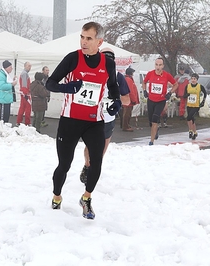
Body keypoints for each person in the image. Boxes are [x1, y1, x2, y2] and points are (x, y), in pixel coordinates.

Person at [45, 22, 121, 220]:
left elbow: (113, 87)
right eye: (82, 37)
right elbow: (50, 83)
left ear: (99, 41)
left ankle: (86, 198)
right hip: (70, 120)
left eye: (88, 38)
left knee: (96, 162)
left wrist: (116, 102)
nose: (83, 42)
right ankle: (57, 196)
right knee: (64, 165)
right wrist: (67, 88)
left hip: (93, 121)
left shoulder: (108, 63)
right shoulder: (73, 58)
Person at [79, 48, 127, 183]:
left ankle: (93, 167)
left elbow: (127, 99)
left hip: (108, 118)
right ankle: (87, 166)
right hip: (91, 116)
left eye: (110, 58)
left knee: (102, 148)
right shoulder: (91, 73)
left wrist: (115, 99)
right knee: (90, 145)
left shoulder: (118, 76)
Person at [142, 57, 178, 145]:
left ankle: (151, 141)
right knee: (151, 121)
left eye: (160, 65)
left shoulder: (166, 75)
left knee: (155, 118)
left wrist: (170, 93)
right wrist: (144, 91)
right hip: (151, 100)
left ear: (163, 66)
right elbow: (144, 82)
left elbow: (176, 84)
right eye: (156, 65)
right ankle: (156, 129)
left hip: (161, 100)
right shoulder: (150, 74)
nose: (158, 67)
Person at [183, 73, 207, 140]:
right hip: (189, 105)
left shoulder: (200, 86)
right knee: (191, 119)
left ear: (197, 80)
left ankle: (191, 131)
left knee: (189, 117)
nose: (193, 80)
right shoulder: (187, 86)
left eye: (195, 79)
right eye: (192, 79)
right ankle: (194, 132)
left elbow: (205, 93)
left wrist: (203, 101)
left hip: (196, 105)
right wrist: (187, 95)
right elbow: (184, 96)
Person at [123, 66, 140, 131]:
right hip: (129, 100)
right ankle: (126, 126)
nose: (133, 74)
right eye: (132, 72)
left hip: (127, 99)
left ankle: (126, 125)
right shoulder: (128, 80)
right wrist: (133, 100)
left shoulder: (127, 79)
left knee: (127, 113)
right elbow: (131, 91)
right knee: (127, 113)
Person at [16, 62, 32, 126]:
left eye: (30, 66)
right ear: (25, 66)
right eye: (28, 66)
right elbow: (24, 85)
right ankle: (27, 122)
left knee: (22, 107)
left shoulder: (23, 73)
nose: (30, 67)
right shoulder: (25, 74)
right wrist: (26, 93)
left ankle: (19, 121)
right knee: (28, 108)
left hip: (23, 93)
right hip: (25, 93)